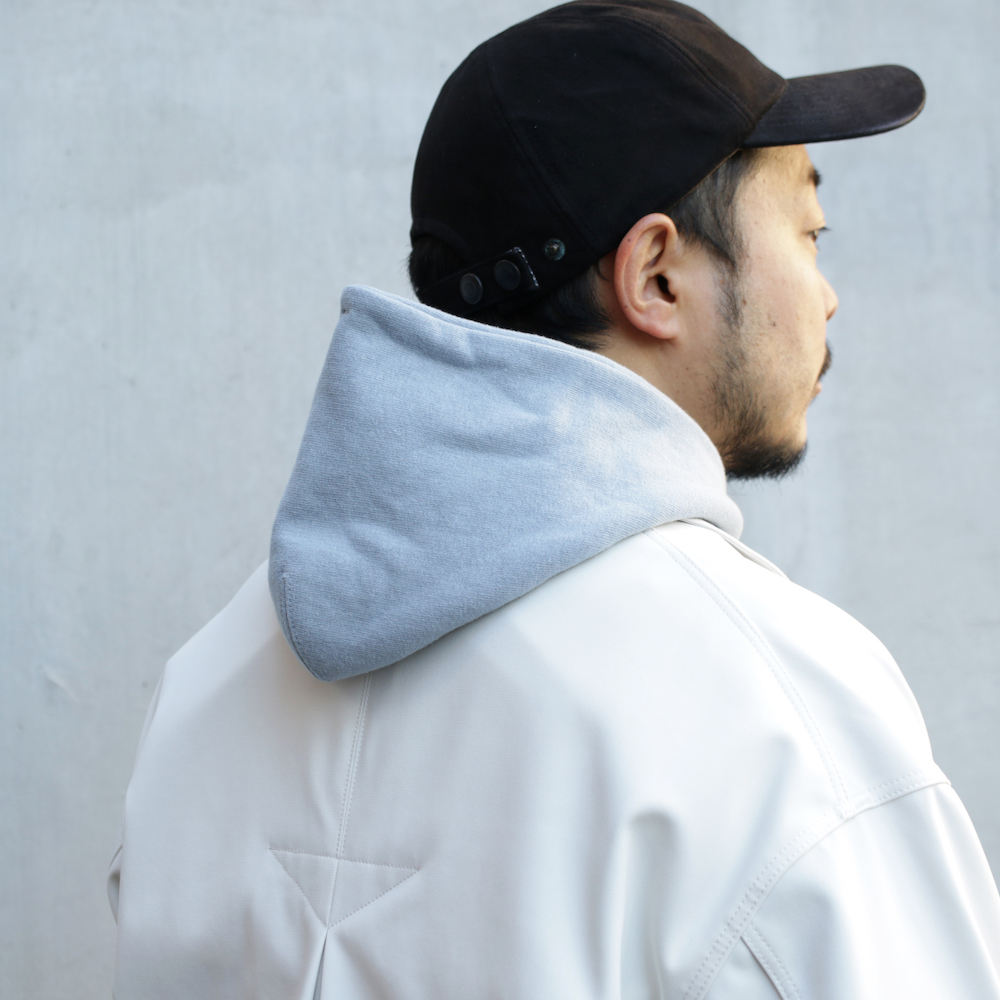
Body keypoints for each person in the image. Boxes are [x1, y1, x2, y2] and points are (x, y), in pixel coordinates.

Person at [108, 2, 1000, 998]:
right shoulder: (778, 706)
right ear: (656, 276)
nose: (827, 295)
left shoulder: (209, 685)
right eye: (810, 232)